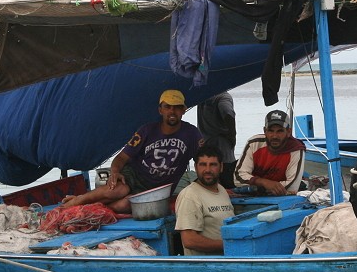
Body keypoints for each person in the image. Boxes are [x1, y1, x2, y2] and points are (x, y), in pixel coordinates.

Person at [61, 89, 203, 213]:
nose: (172, 111)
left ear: (183, 110)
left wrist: (205, 185)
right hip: (133, 176)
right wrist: (115, 173)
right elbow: (122, 157)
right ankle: (76, 202)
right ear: (161, 110)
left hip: (157, 189)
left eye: (177, 107)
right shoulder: (146, 130)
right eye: (168, 107)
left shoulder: (192, 133)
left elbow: (203, 159)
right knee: (119, 190)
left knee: (124, 204)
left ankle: (89, 207)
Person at [175, 145, 235, 255]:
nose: (207, 170)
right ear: (196, 167)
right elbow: (189, 240)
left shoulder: (221, 190)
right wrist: (229, 245)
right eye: (203, 165)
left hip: (226, 262)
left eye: (213, 165)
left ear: (221, 167)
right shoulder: (190, 196)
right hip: (204, 267)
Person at [234, 110, 305, 195]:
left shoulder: (296, 148)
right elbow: (238, 178)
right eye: (271, 131)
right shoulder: (254, 143)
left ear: (288, 132)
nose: (275, 136)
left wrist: (259, 186)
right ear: (265, 131)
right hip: (254, 194)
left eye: (280, 131)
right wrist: (264, 182)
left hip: (274, 197)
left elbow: (292, 187)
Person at [197, 92, 237, 189]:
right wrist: (232, 134)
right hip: (223, 151)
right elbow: (228, 113)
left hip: (206, 147)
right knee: (227, 183)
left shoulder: (202, 96)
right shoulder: (223, 97)